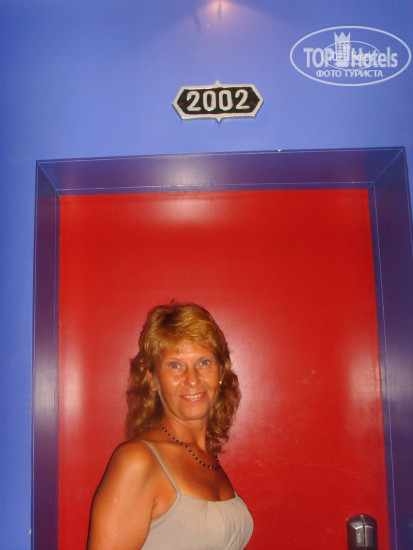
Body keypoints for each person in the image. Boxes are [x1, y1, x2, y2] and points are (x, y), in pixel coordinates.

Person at [87, 302, 253, 550]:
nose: (192, 379)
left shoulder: (206, 455)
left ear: (220, 372)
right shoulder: (138, 461)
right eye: (175, 365)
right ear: (152, 380)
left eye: (204, 362)